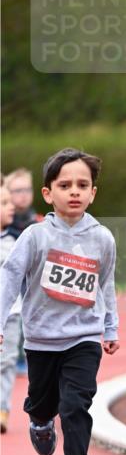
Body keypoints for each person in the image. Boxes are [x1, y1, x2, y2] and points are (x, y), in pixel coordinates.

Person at [0, 148, 120, 455]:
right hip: (40, 341)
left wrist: (110, 325)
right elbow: (9, 278)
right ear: (48, 193)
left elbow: (107, 284)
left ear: (93, 193)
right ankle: (38, 421)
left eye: (83, 185)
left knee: (75, 406)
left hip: (83, 338)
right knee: (44, 403)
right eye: (65, 185)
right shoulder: (35, 236)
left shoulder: (102, 239)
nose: (75, 191)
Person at [5, 168, 43, 375]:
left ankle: (27, 353)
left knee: (31, 314)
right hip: (11, 280)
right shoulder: (5, 224)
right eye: (17, 190)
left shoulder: (39, 221)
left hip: (33, 279)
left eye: (27, 189)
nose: (23, 194)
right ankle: (16, 354)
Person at [0, 183, 19, 433]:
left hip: (11, 315)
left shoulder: (16, 241)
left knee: (6, 361)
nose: (11, 206)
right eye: (4, 203)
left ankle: (2, 409)